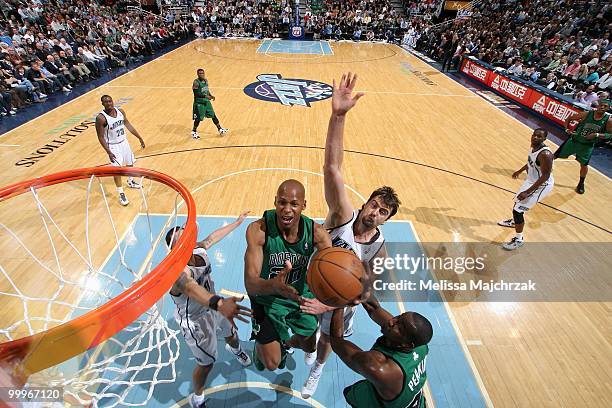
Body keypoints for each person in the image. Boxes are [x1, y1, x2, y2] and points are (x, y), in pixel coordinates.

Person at [300, 73, 401, 399]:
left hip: (338, 303)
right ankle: (309, 345)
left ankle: (317, 368)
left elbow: (364, 293)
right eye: (374, 204)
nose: (374, 212)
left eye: (382, 212)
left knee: (328, 339)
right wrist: (338, 115)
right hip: (311, 282)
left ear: (385, 220)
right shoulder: (342, 216)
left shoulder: (378, 250)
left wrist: (327, 303)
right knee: (303, 332)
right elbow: (332, 168)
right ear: (365, 202)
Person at [165, 213, 253, 408]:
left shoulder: (197, 248)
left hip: (214, 306)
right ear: (174, 249)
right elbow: (189, 287)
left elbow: (211, 238)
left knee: (232, 334)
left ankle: (236, 351)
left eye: (187, 236)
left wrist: (236, 223)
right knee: (206, 365)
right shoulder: (178, 272)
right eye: (182, 239)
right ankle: (196, 398)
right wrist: (219, 304)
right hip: (195, 321)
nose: (189, 239)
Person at [244, 179, 332, 371]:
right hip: (265, 297)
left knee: (309, 345)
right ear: (275, 202)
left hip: (298, 295)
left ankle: (285, 343)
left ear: (304, 205)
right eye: (282, 202)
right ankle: (262, 346)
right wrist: (274, 286)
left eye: (294, 204)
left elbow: (332, 274)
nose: (287, 209)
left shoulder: (318, 234)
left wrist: (326, 302)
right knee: (271, 364)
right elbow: (251, 283)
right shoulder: (258, 231)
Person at [330, 297, 433, 408]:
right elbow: (373, 308)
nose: (392, 321)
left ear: (407, 345)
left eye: (399, 327)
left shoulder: (379, 368)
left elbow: (337, 342)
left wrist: (339, 304)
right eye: (399, 317)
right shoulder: (418, 344)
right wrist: (358, 286)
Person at [498, 128, 554, 250]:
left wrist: (527, 192)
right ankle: (515, 222)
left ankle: (519, 239)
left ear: (545, 139)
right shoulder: (534, 147)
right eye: (534, 135)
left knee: (518, 210)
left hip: (541, 185)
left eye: (539, 137)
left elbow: (545, 176)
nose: (535, 138)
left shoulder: (545, 154)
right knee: (517, 203)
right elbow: (531, 162)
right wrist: (520, 171)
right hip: (531, 181)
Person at [95, 95, 145, 206]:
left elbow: (128, 125)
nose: (108, 103)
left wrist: (139, 137)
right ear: (102, 104)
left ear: (113, 101)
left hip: (124, 142)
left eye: (110, 101)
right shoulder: (101, 118)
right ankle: (121, 193)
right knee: (116, 170)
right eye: (106, 102)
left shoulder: (120, 111)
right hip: (113, 146)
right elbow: (100, 137)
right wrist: (108, 151)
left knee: (130, 163)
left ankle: (130, 181)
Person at [554, 99, 611, 194]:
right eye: (601, 105)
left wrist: (596, 135)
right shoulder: (587, 114)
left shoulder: (608, 120)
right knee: (554, 156)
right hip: (574, 141)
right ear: (598, 105)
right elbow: (569, 118)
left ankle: (581, 183)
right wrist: (567, 129)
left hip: (587, 146)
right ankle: (538, 166)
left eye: (605, 106)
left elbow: (610, 135)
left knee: (584, 165)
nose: (602, 107)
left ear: (608, 109)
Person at [191, 68, 228, 139]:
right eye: (200, 73)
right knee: (198, 119)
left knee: (213, 115)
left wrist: (211, 95)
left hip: (206, 101)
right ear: (197, 74)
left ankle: (220, 129)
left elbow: (207, 90)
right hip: (199, 103)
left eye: (202, 73)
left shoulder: (206, 80)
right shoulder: (196, 82)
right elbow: (196, 94)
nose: (201, 74)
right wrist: (205, 96)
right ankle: (194, 131)